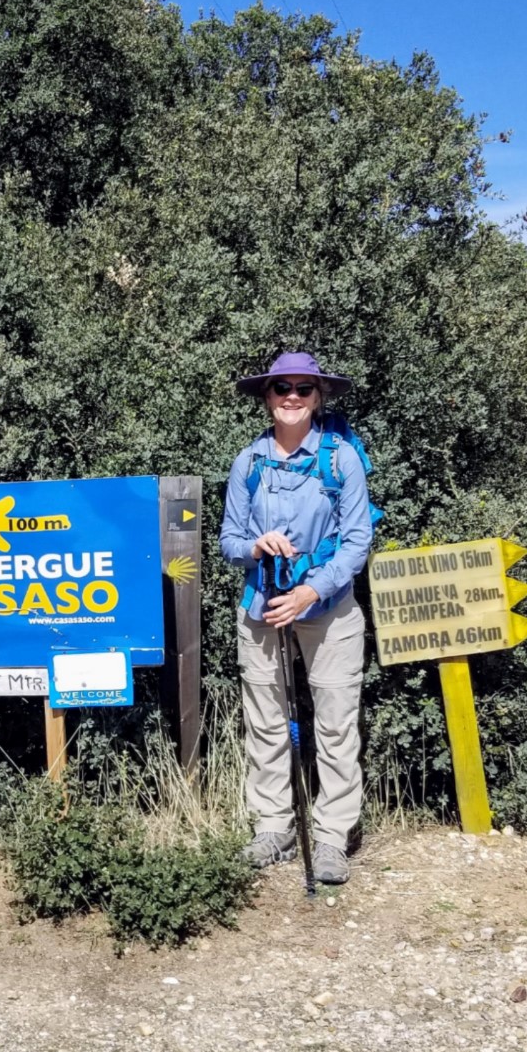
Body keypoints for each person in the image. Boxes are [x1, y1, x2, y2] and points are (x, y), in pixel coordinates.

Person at [219, 351, 373, 884]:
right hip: (262, 609)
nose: (291, 397)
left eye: (303, 390)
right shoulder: (249, 461)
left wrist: (310, 591)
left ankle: (331, 836)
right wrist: (254, 548)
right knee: (265, 723)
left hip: (328, 611)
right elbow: (228, 541)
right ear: (266, 396)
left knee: (334, 725)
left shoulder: (341, 459)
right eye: (281, 387)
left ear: (318, 398)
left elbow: (357, 544)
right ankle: (273, 828)